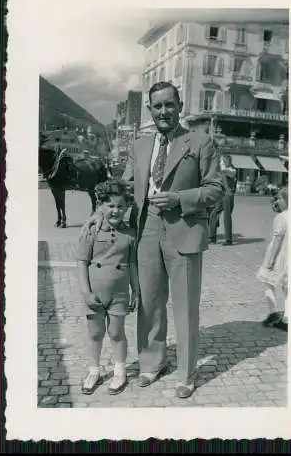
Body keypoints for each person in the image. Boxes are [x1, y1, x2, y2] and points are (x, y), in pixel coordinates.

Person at [83, 81, 225, 398]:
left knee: (186, 307)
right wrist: (99, 212)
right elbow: (123, 187)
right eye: (157, 106)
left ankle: (187, 374)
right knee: (148, 302)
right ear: (150, 109)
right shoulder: (140, 145)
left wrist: (180, 198)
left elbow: (217, 189)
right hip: (146, 230)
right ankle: (151, 362)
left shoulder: (201, 142)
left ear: (180, 106)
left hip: (184, 231)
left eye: (169, 105)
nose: (163, 111)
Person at [74, 180, 139, 395]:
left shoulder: (130, 234)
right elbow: (82, 262)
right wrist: (86, 292)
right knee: (95, 333)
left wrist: (136, 290)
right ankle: (94, 371)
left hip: (119, 293)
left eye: (120, 206)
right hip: (95, 293)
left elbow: (133, 265)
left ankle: (120, 371)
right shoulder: (90, 232)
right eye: (110, 205)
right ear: (100, 205)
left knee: (116, 332)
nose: (116, 210)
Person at [256, 186, 288, 331]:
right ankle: (288, 316)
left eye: (279, 199)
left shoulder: (281, 218)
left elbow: (277, 241)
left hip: (279, 256)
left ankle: (274, 312)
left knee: (267, 282)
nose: (277, 201)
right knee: (288, 288)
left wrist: (270, 261)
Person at [208, 154, 237, 245]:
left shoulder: (232, 169)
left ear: (227, 161)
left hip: (228, 194)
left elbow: (226, 172)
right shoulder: (223, 169)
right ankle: (212, 237)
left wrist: (220, 166)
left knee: (227, 216)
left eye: (223, 161)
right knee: (214, 213)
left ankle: (228, 240)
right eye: (222, 161)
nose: (222, 162)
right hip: (221, 194)